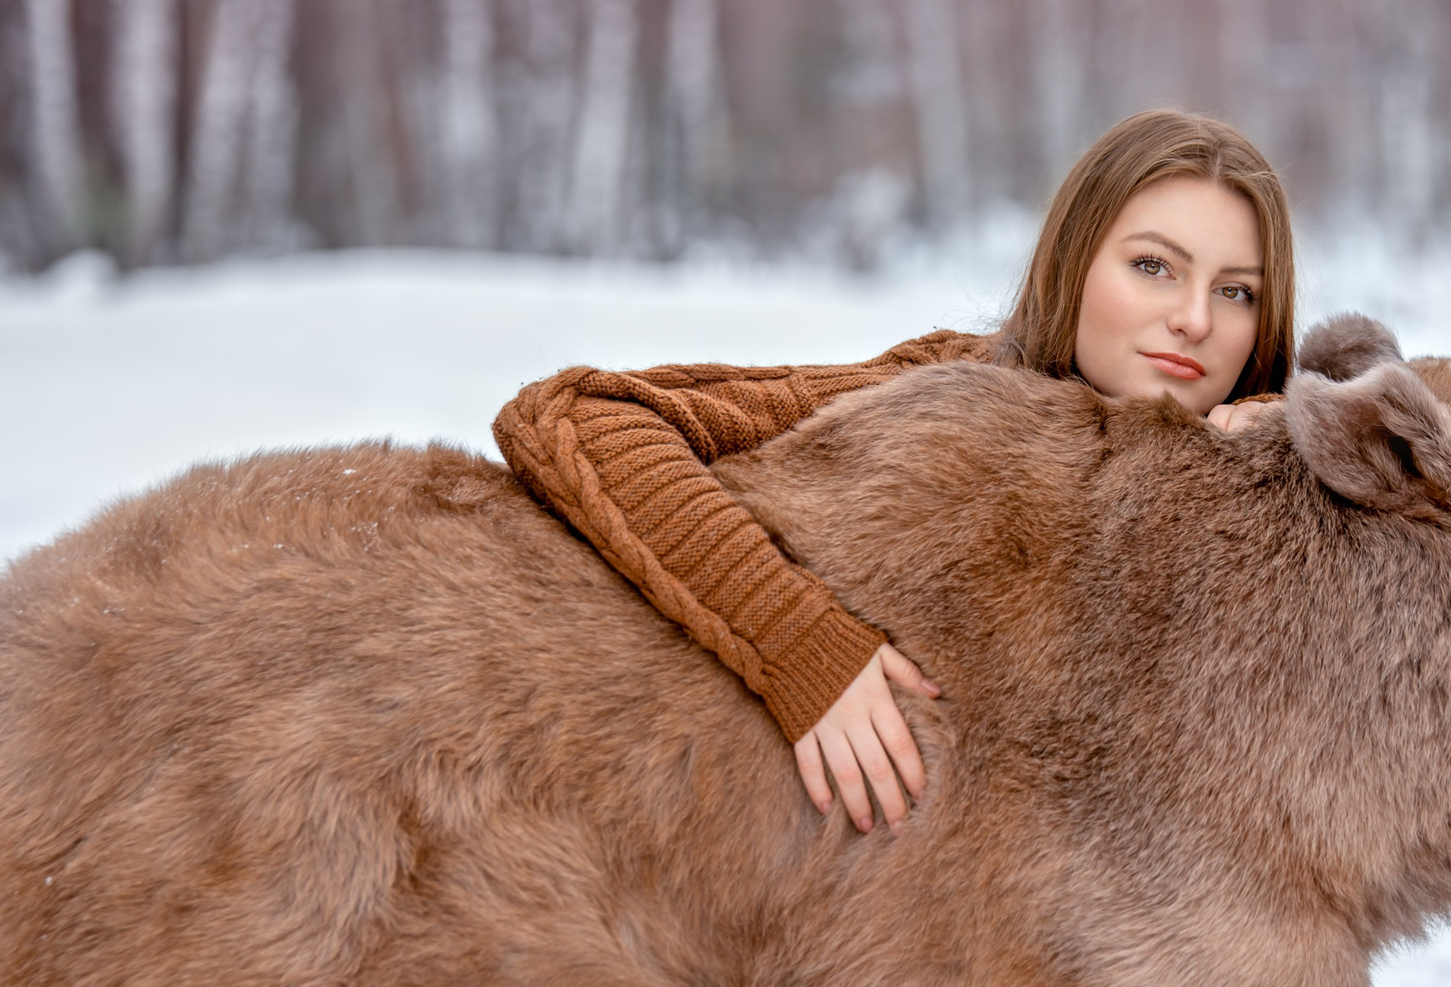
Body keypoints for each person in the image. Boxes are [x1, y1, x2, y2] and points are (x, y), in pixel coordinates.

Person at [495, 109, 1298, 833]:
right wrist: (800, 644)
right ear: (1074, 260)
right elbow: (574, 415)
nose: (1195, 319)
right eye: (1154, 266)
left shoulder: (1278, 460)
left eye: (1236, 291)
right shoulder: (943, 389)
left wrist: (1265, 469)